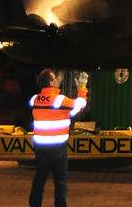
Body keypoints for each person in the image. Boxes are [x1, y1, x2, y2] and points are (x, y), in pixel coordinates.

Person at [28, 69, 88, 207]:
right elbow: (80, 105)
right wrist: (82, 87)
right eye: (55, 78)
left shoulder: (35, 99)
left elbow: (49, 104)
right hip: (58, 148)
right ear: (51, 82)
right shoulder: (60, 100)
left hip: (40, 147)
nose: (57, 79)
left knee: (39, 178)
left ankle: (34, 204)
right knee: (60, 181)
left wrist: (53, 88)